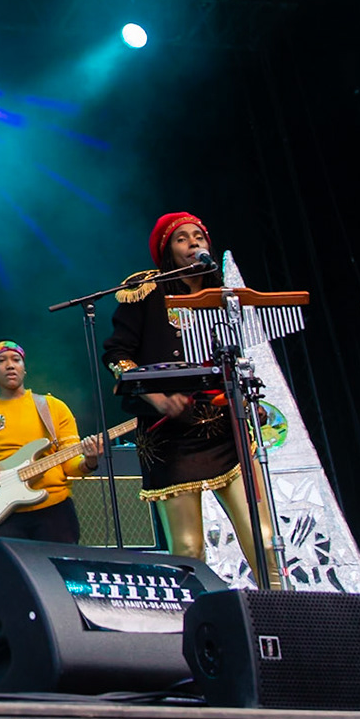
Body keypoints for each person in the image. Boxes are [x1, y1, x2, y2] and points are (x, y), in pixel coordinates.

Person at [103, 211, 279, 585]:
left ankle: (282, 618)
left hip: (225, 430)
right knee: (188, 550)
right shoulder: (146, 292)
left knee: (263, 541)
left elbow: (235, 359)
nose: (194, 242)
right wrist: (155, 395)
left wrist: (250, 400)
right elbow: (117, 356)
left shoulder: (222, 298)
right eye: (182, 238)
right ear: (167, 251)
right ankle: (202, 631)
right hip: (171, 437)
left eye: (198, 236)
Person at [0, 340, 102, 543]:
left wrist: (89, 462)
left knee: (58, 571)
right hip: (0, 514)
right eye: (1, 360)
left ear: (24, 368)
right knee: (8, 574)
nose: (10, 365)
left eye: (16, 360)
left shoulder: (52, 407)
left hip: (53, 510)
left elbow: (70, 466)